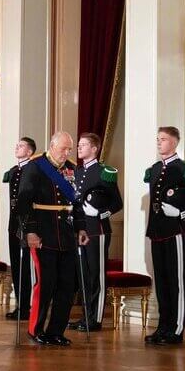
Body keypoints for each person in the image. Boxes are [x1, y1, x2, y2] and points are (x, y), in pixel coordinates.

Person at [16, 131, 88, 346]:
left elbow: (77, 202)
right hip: (43, 234)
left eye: (69, 149)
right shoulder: (35, 166)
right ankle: (35, 329)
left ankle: (56, 331)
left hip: (65, 234)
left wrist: (81, 227)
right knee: (46, 284)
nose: (67, 153)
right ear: (52, 146)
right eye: (63, 148)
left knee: (67, 286)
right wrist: (29, 231)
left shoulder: (71, 169)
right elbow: (23, 201)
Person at [143, 127, 185, 345]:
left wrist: (179, 213)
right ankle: (162, 327)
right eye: (158, 139)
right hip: (157, 230)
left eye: (164, 139)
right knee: (161, 280)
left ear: (175, 142)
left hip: (174, 230)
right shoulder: (155, 169)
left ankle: (175, 329)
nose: (159, 143)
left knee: (175, 280)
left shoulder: (184, 169)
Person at [68, 133, 123, 332]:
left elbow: (117, 203)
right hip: (79, 230)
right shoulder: (76, 171)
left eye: (83, 145)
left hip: (97, 230)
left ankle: (95, 318)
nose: (79, 148)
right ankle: (85, 317)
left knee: (95, 275)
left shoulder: (104, 172)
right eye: (79, 145)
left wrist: (99, 213)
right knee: (82, 275)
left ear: (94, 149)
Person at [4, 137, 36, 321]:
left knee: (27, 267)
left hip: (28, 223)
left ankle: (29, 305)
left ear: (30, 151)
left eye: (21, 145)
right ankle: (20, 306)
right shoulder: (14, 171)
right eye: (16, 145)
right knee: (16, 266)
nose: (17, 147)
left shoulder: (34, 169)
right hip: (14, 223)